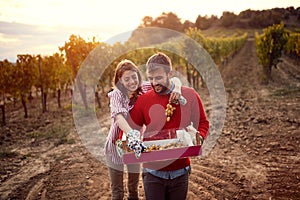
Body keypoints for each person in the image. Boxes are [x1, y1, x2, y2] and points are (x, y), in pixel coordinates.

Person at [127, 52, 209, 200]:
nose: (154, 83)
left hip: (181, 170)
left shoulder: (189, 95)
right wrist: (129, 139)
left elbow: (203, 122)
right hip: (152, 172)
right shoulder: (144, 100)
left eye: (158, 78)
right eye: (150, 78)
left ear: (169, 74)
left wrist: (199, 137)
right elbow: (132, 126)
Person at [104, 59, 182, 200]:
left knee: (133, 188)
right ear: (120, 81)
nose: (132, 82)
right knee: (117, 191)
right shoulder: (116, 95)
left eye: (134, 77)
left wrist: (177, 87)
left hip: (135, 147)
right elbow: (119, 117)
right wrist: (131, 133)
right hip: (115, 146)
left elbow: (171, 80)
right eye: (126, 79)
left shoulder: (145, 88)